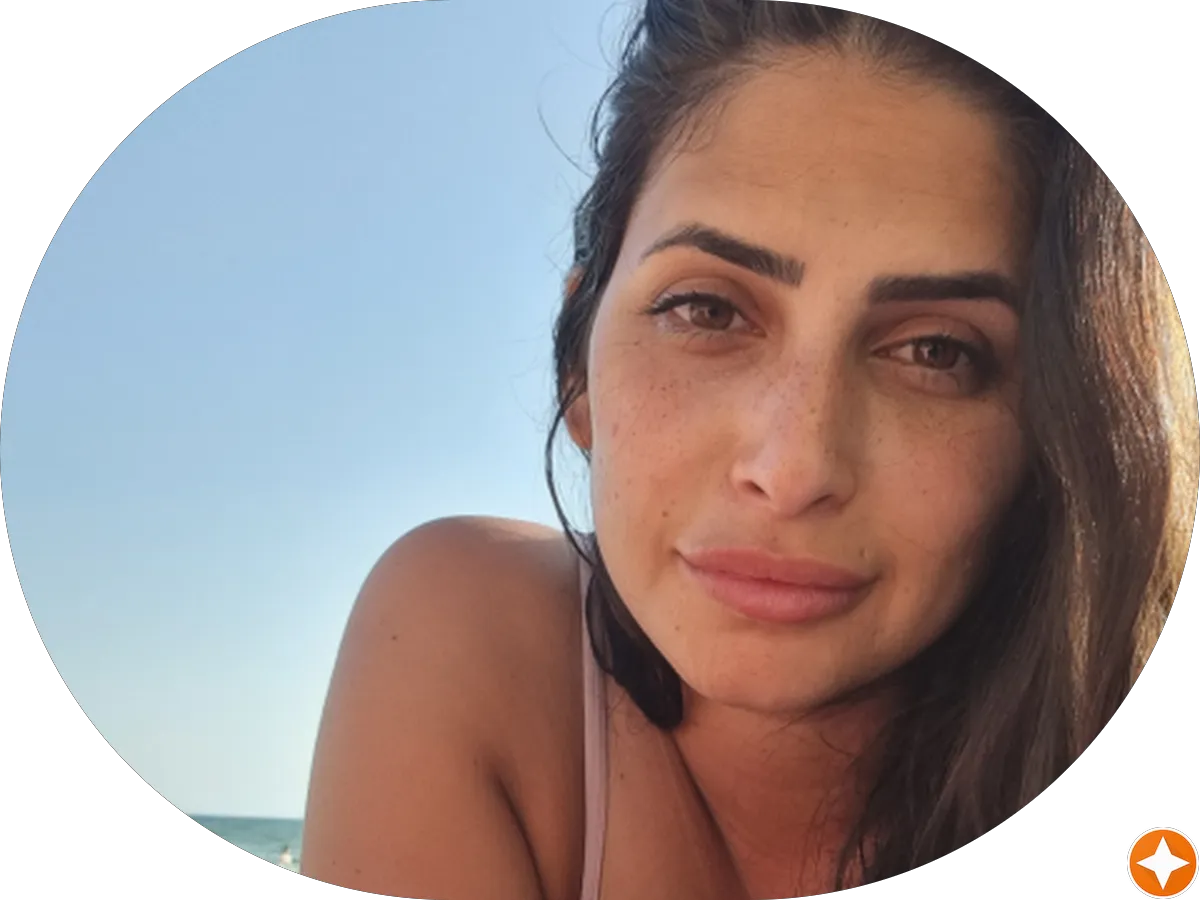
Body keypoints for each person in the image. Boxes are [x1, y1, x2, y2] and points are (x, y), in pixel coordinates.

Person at [300, 2, 1197, 899]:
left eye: (936, 352)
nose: (792, 469)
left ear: (1053, 433)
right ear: (578, 369)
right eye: (707, 310)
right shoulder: (471, 637)